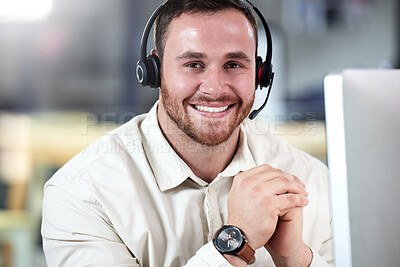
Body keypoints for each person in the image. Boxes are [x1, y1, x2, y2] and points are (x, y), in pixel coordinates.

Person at [41, 0, 333, 266]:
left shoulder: (313, 181)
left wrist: (297, 258)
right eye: (193, 64)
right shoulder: (82, 194)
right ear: (155, 70)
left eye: (234, 64)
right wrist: (234, 241)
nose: (215, 88)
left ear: (260, 73)